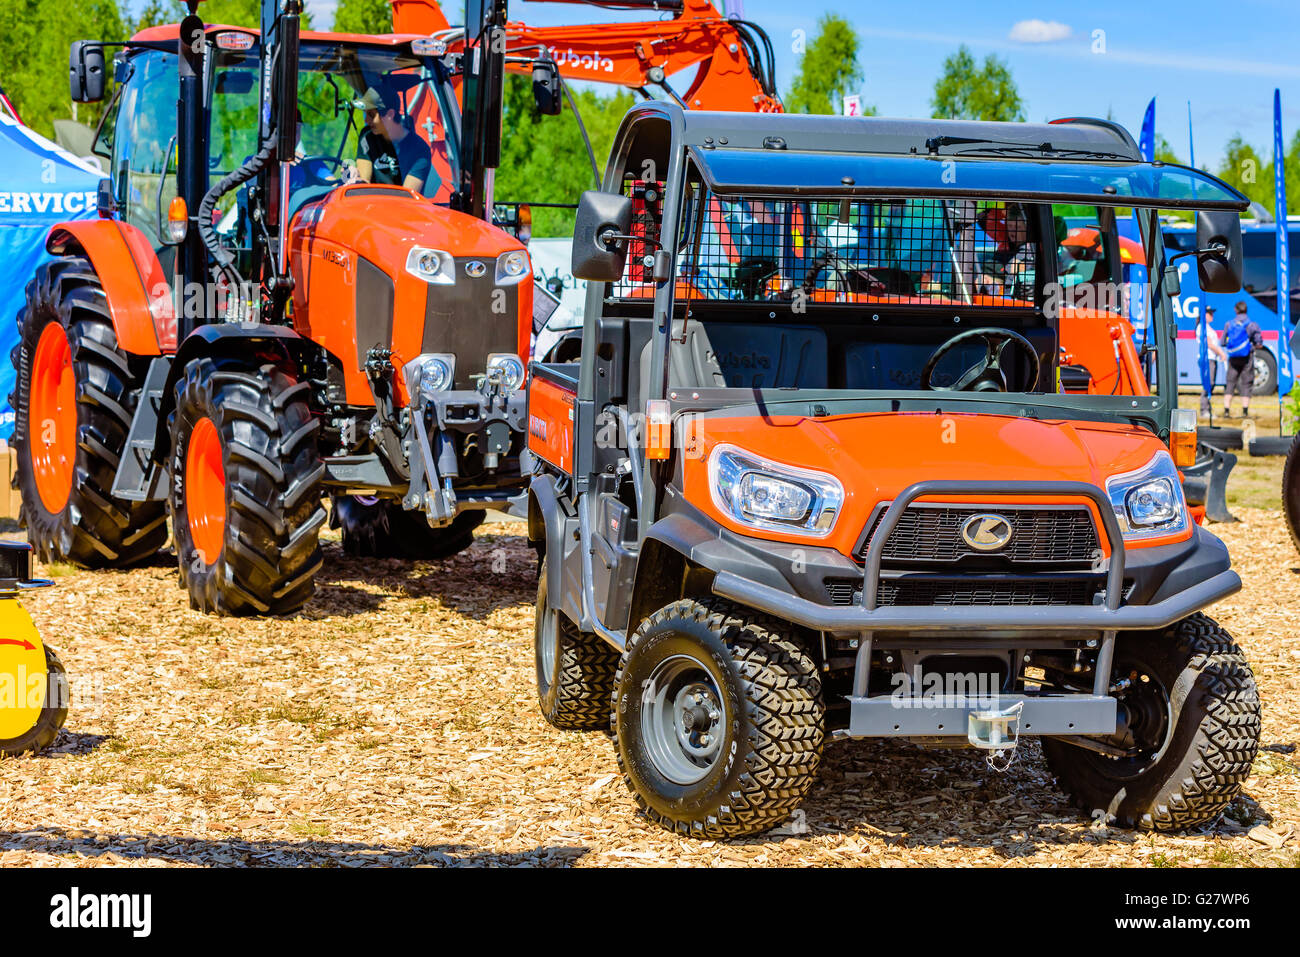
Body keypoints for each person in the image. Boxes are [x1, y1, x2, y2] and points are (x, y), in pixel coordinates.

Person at [354, 86, 434, 196]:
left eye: (371, 115)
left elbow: (406, 198)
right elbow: (363, 184)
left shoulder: (420, 151)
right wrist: (355, 179)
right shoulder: (367, 137)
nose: (366, 120)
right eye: (365, 113)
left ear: (390, 114)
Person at [1220, 300, 1265, 418]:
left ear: (1235, 310)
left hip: (1233, 358)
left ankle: (1226, 411)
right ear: (1246, 310)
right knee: (1246, 383)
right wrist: (1250, 346)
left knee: (1230, 383)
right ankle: (1245, 412)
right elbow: (1259, 343)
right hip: (1247, 358)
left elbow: (1222, 342)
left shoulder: (1229, 324)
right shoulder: (1252, 324)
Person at [1198, 305, 1227, 415]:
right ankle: (1204, 410)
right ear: (1204, 315)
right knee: (1208, 384)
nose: (1212, 315)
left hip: (1212, 358)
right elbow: (1209, 344)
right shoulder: (1201, 327)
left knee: (1211, 384)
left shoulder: (1207, 327)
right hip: (1207, 359)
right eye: (1209, 313)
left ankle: (1207, 409)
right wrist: (1221, 353)